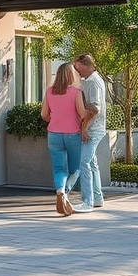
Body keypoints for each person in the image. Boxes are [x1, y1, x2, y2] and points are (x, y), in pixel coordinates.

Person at [41, 62, 94, 216]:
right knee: (76, 168)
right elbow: (83, 114)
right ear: (72, 75)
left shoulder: (50, 91)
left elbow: (44, 115)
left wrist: (56, 118)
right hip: (72, 134)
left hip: (53, 134)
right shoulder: (76, 92)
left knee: (58, 168)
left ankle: (59, 190)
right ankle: (64, 193)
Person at [68, 53, 108, 213]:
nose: (77, 72)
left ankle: (88, 201)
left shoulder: (93, 82)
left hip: (93, 129)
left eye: (78, 68)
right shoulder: (90, 81)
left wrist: (84, 128)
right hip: (93, 128)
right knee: (92, 163)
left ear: (85, 65)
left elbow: (94, 109)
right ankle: (97, 198)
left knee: (83, 162)